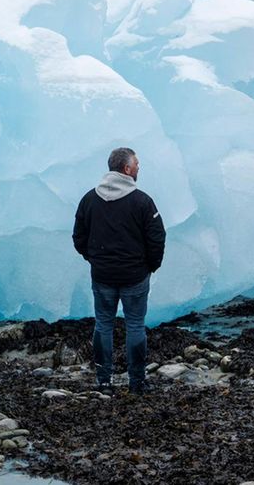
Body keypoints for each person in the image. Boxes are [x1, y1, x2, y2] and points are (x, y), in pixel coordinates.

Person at [71, 146, 165, 395]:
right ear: (126, 169)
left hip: (102, 274)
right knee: (135, 325)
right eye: (136, 165)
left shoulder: (90, 199)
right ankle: (137, 382)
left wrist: (93, 259)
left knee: (103, 324)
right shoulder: (142, 201)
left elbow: (78, 235)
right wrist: (150, 266)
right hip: (135, 275)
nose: (138, 168)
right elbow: (157, 237)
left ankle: (104, 380)